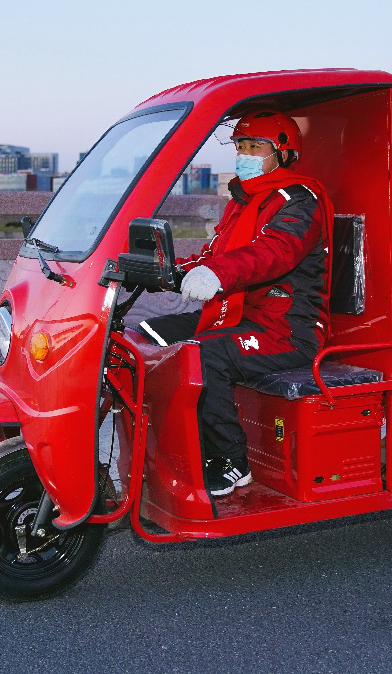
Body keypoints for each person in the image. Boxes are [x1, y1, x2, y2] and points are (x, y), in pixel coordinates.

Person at [137, 109, 333, 497]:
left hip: (289, 329)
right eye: (240, 146)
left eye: (255, 147)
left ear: (283, 152)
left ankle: (231, 461)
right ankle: (169, 444)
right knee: (146, 335)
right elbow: (213, 255)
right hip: (242, 314)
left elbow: (275, 252)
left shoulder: (299, 201)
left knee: (202, 355)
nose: (244, 154)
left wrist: (218, 274)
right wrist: (165, 272)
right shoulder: (244, 202)